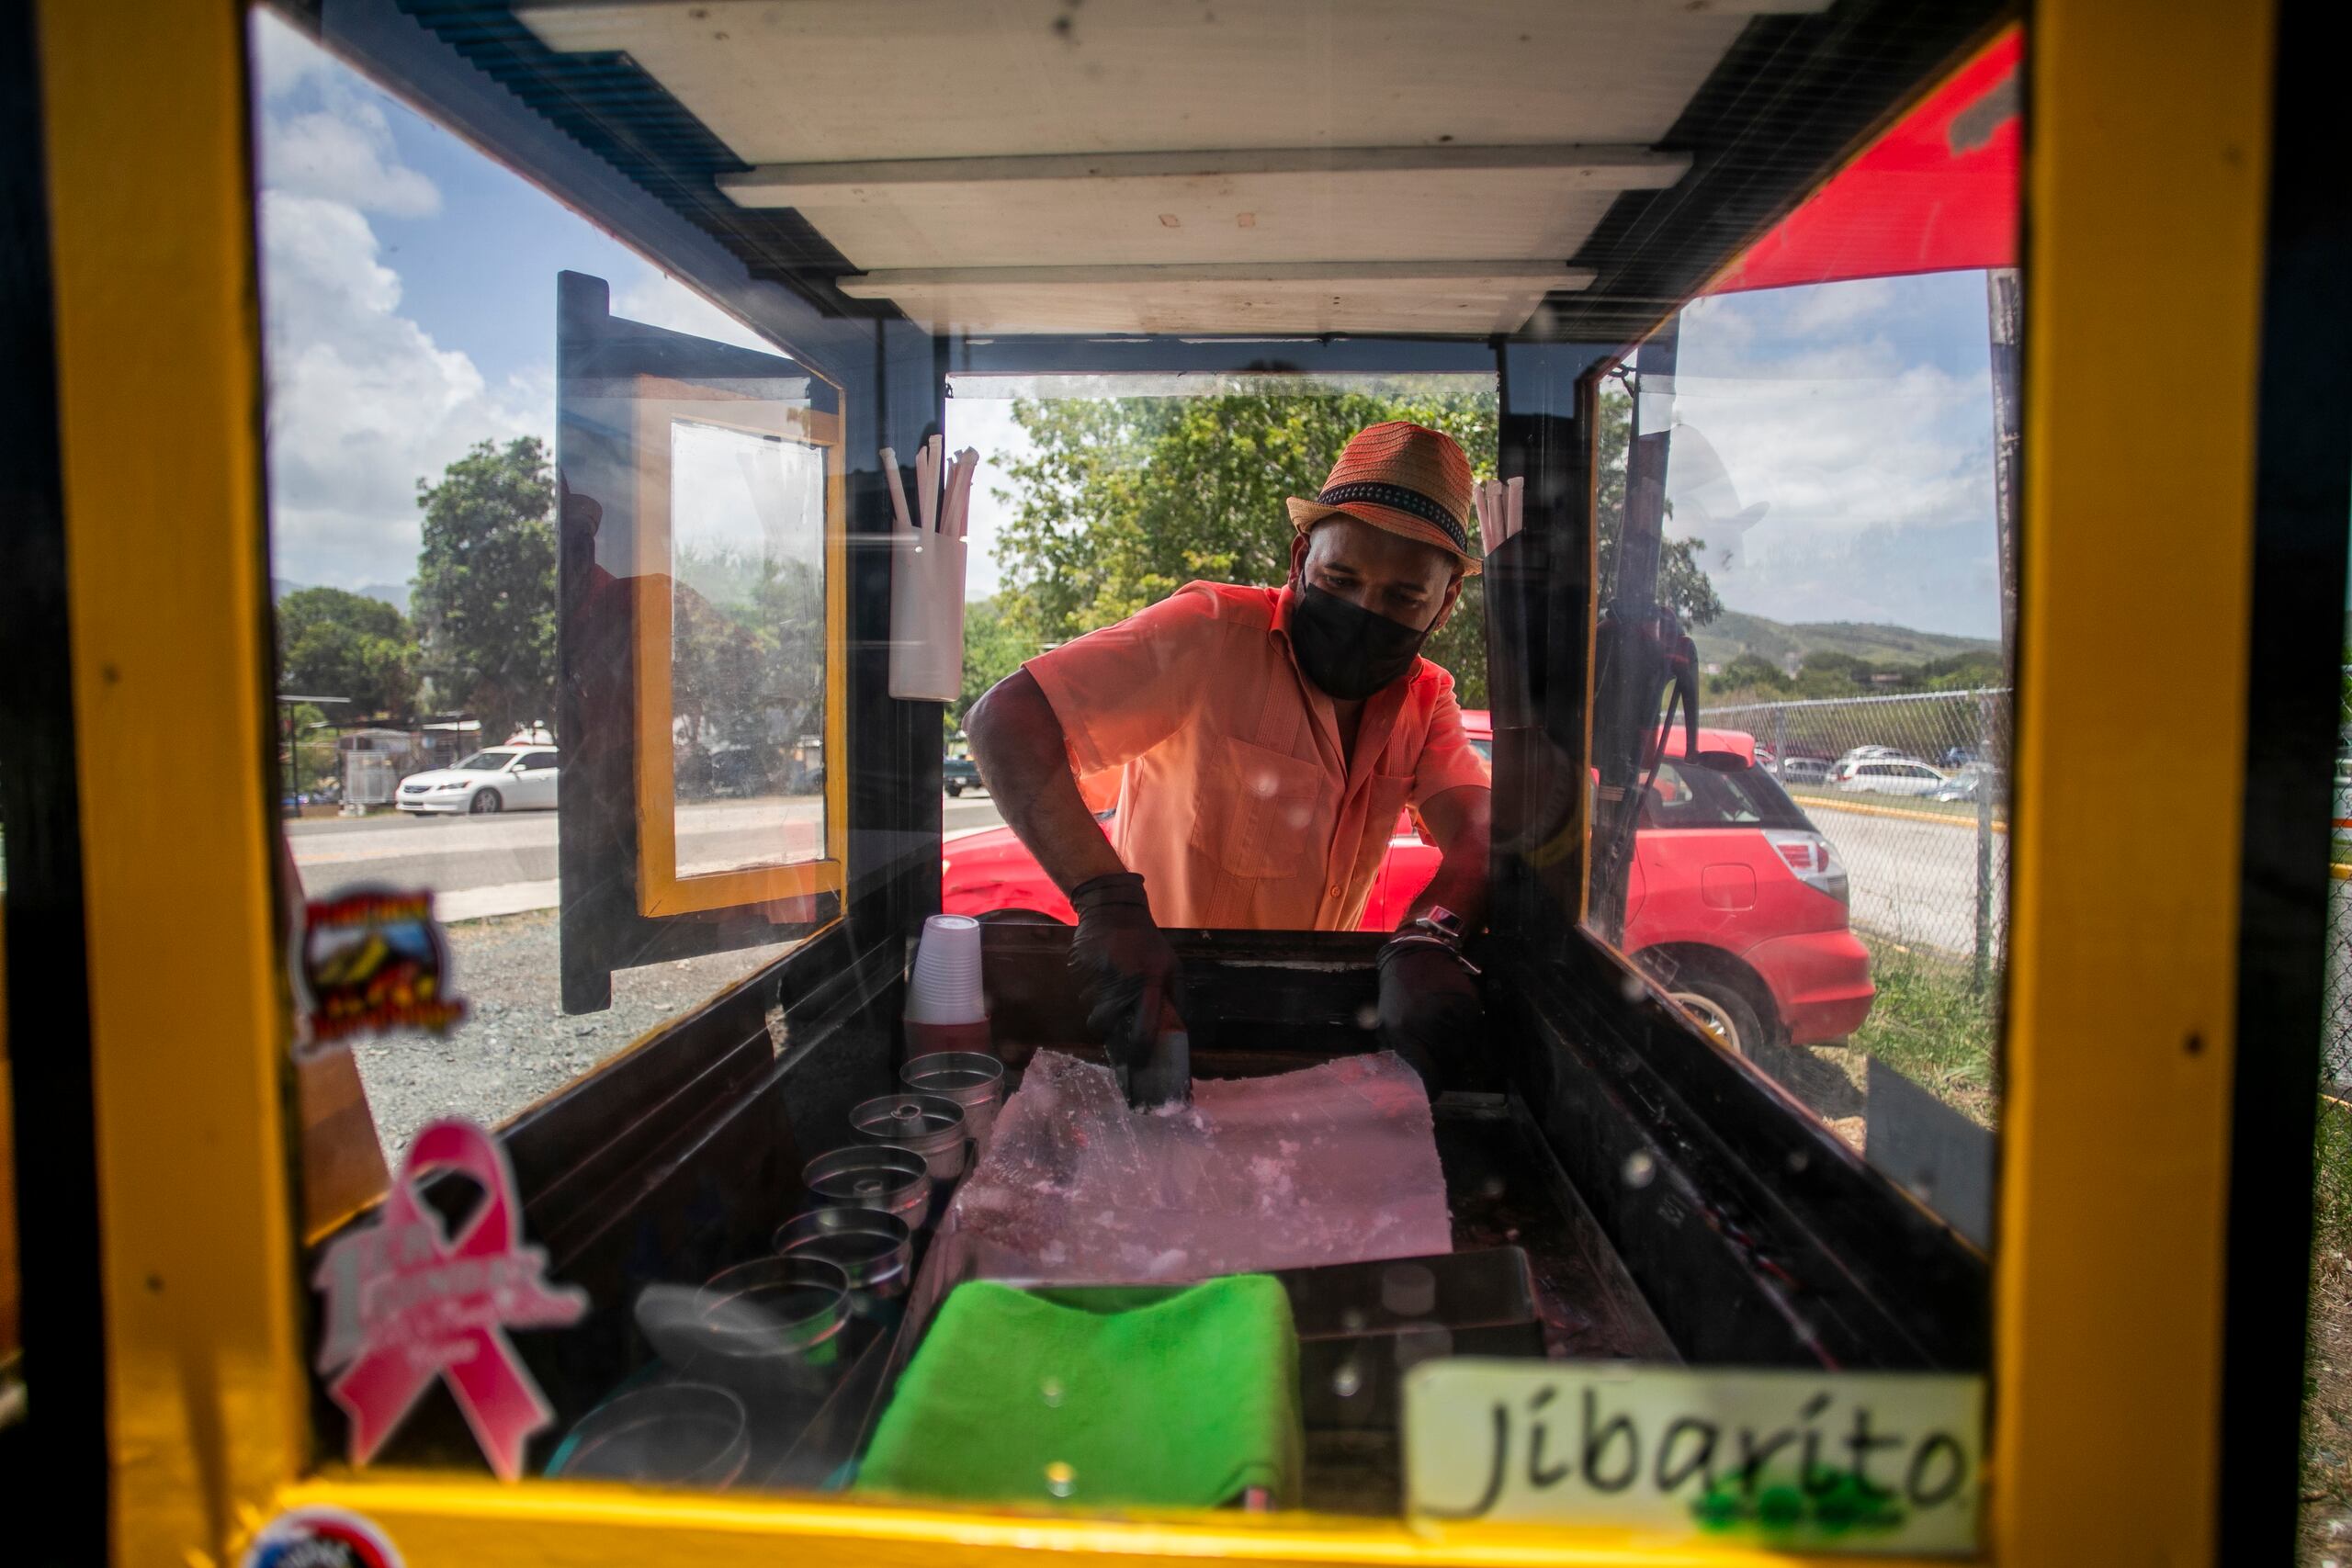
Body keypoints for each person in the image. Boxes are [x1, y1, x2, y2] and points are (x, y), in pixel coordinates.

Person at [967, 421, 1492, 1099]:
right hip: (1162, 1011)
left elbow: (1480, 833)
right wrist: (1108, 902)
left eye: (1403, 598)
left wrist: (1429, 935)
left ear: (1445, 602)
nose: (1366, 610)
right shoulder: (1209, 636)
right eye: (1340, 577)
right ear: (1300, 555)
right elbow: (1004, 720)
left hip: (1309, 1031)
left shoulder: (1427, 698)